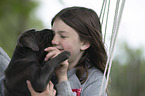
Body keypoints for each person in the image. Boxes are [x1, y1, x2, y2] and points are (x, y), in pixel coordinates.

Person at [31, 6, 108, 96]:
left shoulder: (95, 80)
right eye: (53, 34)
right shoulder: (37, 63)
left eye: (63, 36)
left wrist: (62, 77)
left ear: (85, 43)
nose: (54, 41)